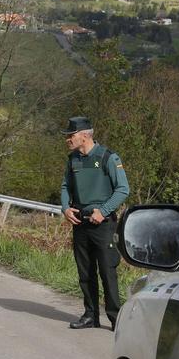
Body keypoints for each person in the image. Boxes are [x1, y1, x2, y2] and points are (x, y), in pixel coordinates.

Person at [60, 117, 129, 330]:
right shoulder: (72, 159)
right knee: (85, 272)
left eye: (71, 135)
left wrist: (104, 211)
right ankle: (90, 315)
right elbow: (65, 186)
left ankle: (116, 318)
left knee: (108, 271)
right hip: (80, 222)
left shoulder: (108, 157)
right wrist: (65, 208)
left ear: (85, 135)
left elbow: (123, 189)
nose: (67, 140)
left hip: (103, 224)